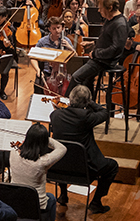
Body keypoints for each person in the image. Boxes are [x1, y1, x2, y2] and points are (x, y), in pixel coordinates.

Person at [50, 84, 119, 214]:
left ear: (70, 99)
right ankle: (96, 202)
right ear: (86, 102)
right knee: (112, 166)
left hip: (58, 169)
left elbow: (61, 116)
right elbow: (104, 112)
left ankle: (63, 195)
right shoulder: (86, 117)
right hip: (84, 171)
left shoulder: (55, 115)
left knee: (64, 154)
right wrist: (90, 102)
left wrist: (60, 108)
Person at [9, 124, 66, 221]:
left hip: (14, 204)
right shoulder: (43, 162)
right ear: (43, 143)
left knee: (36, 197)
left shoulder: (13, 153)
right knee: (51, 198)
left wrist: (31, 137)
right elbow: (62, 148)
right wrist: (46, 139)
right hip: (36, 207)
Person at [67, 0, 129, 95]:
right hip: (100, 58)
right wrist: (93, 43)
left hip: (105, 61)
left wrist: (96, 54)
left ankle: (66, 104)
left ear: (110, 8)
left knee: (76, 77)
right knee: (86, 81)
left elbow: (115, 48)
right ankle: (86, 106)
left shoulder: (120, 24)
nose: (99, 11)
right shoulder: (110, 19)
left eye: (100, 8)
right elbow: (107, 40)